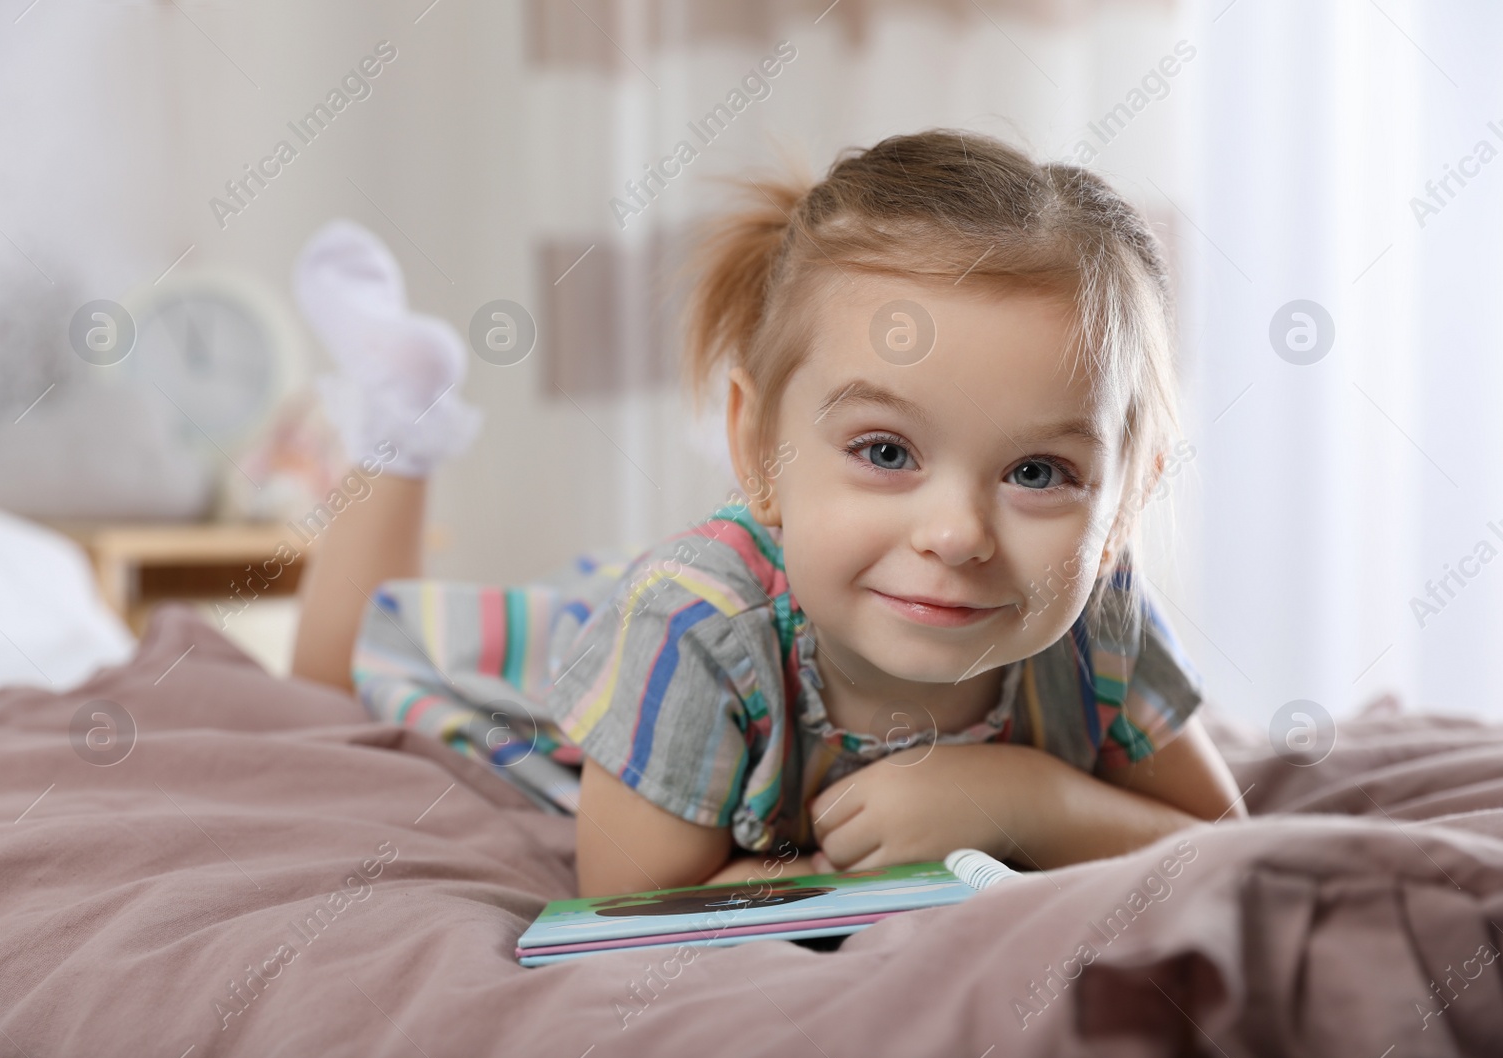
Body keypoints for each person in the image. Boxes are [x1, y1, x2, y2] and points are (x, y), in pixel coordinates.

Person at [292, 130, 1247, 900]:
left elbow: (1223, 845)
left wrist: (1032, 803)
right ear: (754, 448)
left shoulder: (1103, 623)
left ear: (1125, 499)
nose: (957, 534)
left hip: (766, 586)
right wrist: (888, 861)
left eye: (1039, 471)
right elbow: (631, 904)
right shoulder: (689, 631)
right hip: (593, 672)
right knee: (337, 681)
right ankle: (397, 424)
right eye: (886, 452)